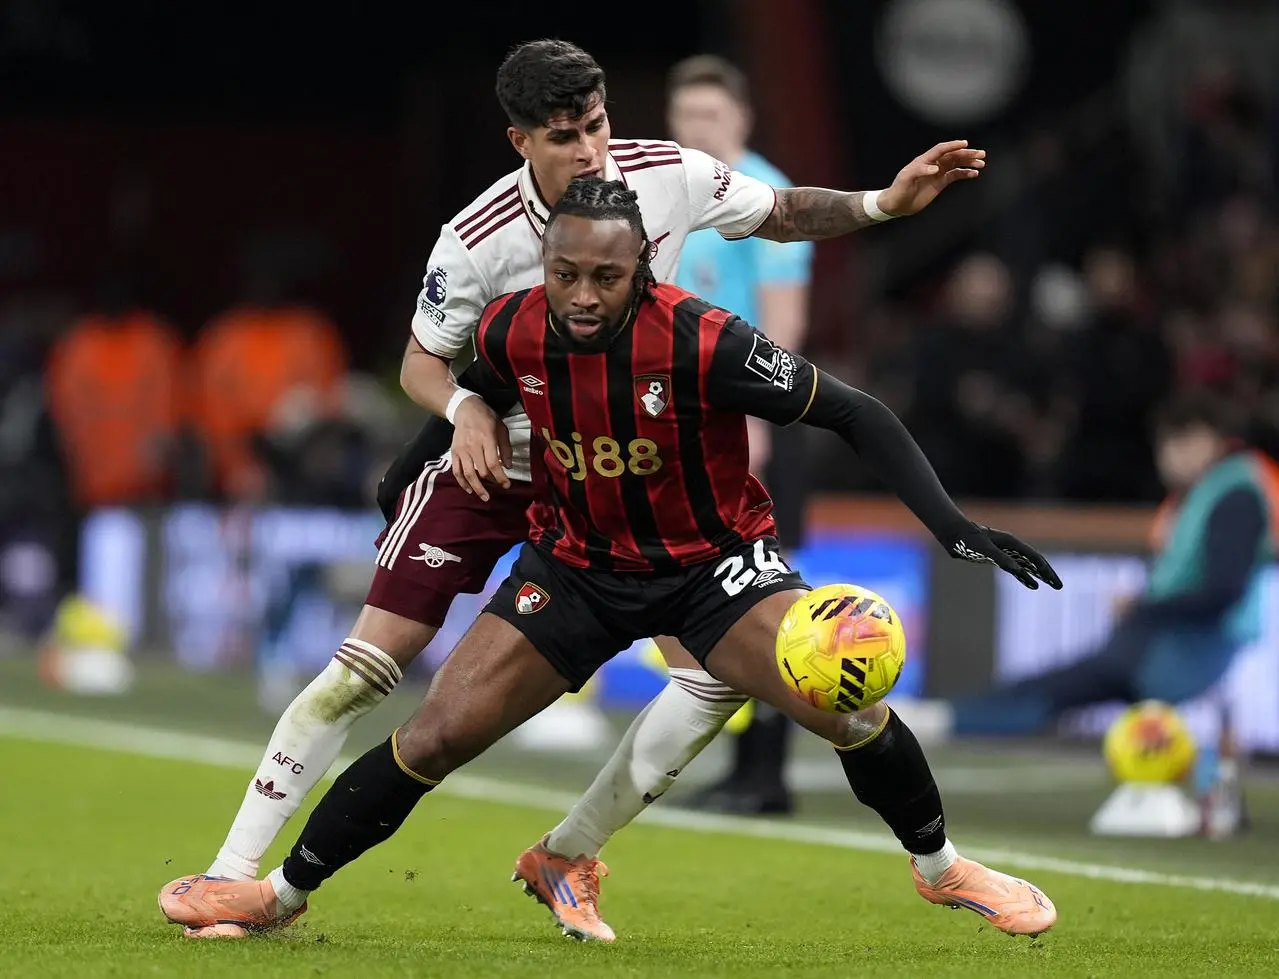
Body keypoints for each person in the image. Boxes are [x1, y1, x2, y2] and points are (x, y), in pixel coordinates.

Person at [160, 179, 1062, 943]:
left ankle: (940, 867)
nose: (582, 295)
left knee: (847, 703)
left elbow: (856, 412)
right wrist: (413, 461)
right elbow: (476, 388)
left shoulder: (703, 340)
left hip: (713, 570)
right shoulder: (516, 325)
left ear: (641, 272)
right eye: (565, 274)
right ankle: (278, 894)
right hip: (573, 567)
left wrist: (948, 524)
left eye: (605, 276)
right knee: (432, 735)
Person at [895, 393, 1279, 740]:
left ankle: (947, 720)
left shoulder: (1235, 496)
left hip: (1186, 645)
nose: (1167, 456)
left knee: (1053, 691)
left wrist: (1143, 606)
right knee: (1053, 686)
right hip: (1168, 639)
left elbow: (1222, 590)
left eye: (1176, 441)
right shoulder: (1209, 492)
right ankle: (950, 717)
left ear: (1206, 438)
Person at [665, 53, 815, 815]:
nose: (697, 130)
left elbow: (782, 333)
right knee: (712, 595)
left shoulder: (765, 201)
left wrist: (753, 420)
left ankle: (767, 773)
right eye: (686, 117)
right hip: (685, 423)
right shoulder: (665, 192)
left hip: (751, 422)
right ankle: (740, 768)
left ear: (742, 122)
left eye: (710, 117)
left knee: (764, 594)